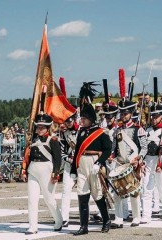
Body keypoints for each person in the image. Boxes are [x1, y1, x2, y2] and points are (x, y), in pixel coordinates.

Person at [70, 92, 112, 235]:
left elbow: (107, 150)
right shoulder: (80, 132)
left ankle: (106, 220)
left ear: (90, 119)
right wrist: (73, 171)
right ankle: (84, 226)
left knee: (98, 194)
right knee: (82, 195)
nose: (81, 120)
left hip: (94, 164)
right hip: (82, 165)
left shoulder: (101, 132)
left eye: (84, 118)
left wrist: (99, 163)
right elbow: (77, 152)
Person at [21, 113, 63, 235]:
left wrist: (56, 172)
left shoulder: (53, 140)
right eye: (38, 127)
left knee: (49, 198)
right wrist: (24, 170)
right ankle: (32, 226)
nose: (39, 129)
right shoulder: (33, 140)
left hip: (47, 170)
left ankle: (58, 220)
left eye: (42, 127)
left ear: (48, 128)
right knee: (32, 199)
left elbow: (57, 158)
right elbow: (28, 156)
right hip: (33, 169)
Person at [108, 99, 147, 228]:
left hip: (133, 163)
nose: (124, 116)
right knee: (117, 192)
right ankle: (118, 219)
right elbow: (114, 148)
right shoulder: (117, 130)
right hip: (119, 163)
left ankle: (136, 217)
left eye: (126, 113)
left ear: (131, 113)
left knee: (134, 192)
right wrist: (111, 156)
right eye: (122, 113)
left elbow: (144, 148)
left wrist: (138, 159)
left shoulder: (138, 129)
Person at [141, 104, 162, 224]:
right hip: (148, 161)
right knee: (147, 189)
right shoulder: (147, 131)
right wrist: (142, 162)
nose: (154, 119)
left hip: (160, 162)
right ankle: (146, 215)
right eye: (152, 116)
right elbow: (143, 148)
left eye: (156, 116)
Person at [60, 114, 79, 227]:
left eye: (69, 121)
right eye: (66, 122)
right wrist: (69, 159)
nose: (68, 123)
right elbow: (62, 152)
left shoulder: (82, 131)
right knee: (66, 190)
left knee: (87, 191)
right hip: (70, 165)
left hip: (82, 165)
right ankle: (64, 218)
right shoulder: (64, 134)